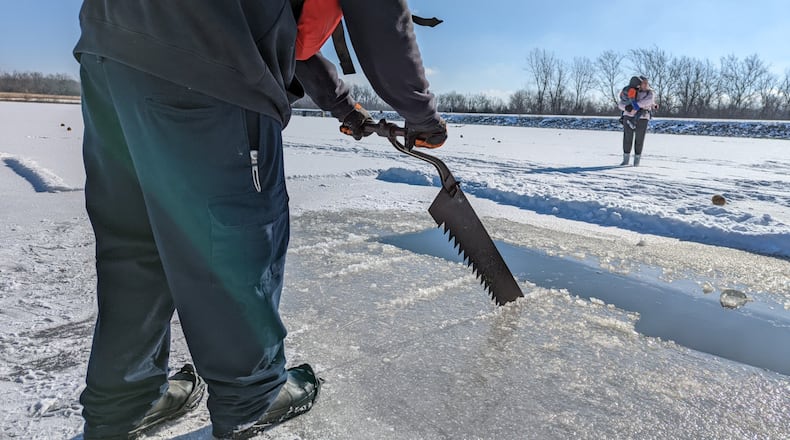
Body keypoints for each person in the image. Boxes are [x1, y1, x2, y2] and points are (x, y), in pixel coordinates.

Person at [73, 1, 446, 439]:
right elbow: (379, 13)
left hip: (111, 54)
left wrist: (345, 109)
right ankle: (253, 397)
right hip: (212, 67)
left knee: (136, 242)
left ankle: (126, 399)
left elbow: (276, 29)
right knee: (234, 244)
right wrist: (422, 115)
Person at [618, 75, 656, 166]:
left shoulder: (650, 93)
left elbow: (647, 102)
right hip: (628, 116)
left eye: (646, 83)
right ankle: (625, 159)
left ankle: (636, 161)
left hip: (642, 117)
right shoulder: (629, 91)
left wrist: (636, 105)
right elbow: (620, 104)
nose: (645, 85)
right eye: (643, 83)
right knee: (627, 138)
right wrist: (627, 107)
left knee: (639, 139)